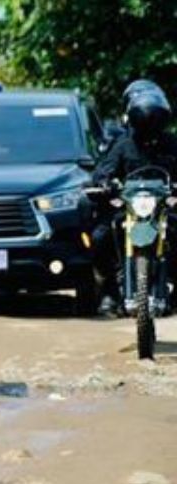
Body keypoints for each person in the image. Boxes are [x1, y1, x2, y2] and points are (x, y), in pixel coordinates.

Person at [91, 85, 177, 315]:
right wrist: (103, 183)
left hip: (166, 209)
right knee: (100, 236)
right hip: (130, 209)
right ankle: (110, 290)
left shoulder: (172, 144)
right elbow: (103, 170)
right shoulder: (122, 144)